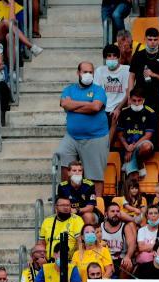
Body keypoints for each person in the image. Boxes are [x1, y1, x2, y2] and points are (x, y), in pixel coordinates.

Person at [57, 63, 111, 196]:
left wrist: (73, 105)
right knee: (62, 157)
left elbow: (96, 107)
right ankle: (66, 198)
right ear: (78, 73)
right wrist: (87, 104)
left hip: (95, 137)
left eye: (91, 72)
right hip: (72, 136)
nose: (88, 75)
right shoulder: (69, 89)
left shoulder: (99, 90)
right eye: (85, 71)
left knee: (95, 175)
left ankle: (97, 207)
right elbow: (64, 104)